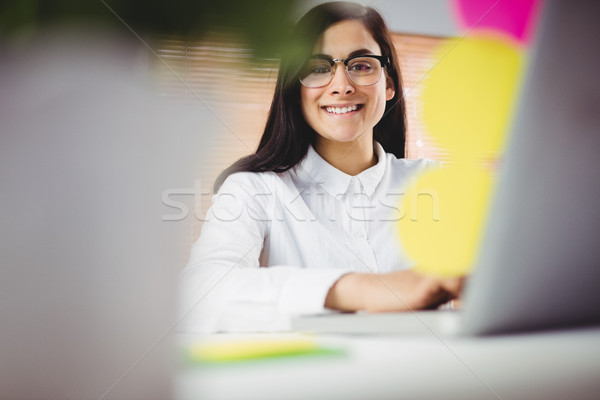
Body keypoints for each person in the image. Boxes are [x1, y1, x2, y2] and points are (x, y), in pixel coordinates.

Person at [178, 2, 463, 333]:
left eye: (361, 65)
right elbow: (199, 295)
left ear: (389, 84)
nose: (341, 85)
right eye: (318, 67)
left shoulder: (435, 181)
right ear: (295, 88)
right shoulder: (254, 189)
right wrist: (362, 291)